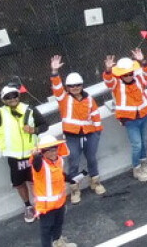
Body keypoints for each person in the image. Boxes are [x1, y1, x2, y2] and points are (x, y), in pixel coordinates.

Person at [0, 78, 42, 221]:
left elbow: (44, 125)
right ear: (3, 100)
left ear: (18, 96)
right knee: (20, 184)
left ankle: (39, 204)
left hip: (32, 154)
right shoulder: (0, 114)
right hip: (14, 158)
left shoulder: (30, 109)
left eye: (14, 95)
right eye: (7, 97)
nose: (12, 99)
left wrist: (34, 130)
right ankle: (28, 206)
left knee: (35, 181)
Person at [46, 59, 103, 200]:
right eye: (71, 86)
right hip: (72, 136)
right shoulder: (64, 99)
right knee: (74, 161)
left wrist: (97, 132)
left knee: (91, 158)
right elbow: (57, 87)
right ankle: (75, 189)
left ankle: (95, 182)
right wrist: (54, 72)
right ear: (68, 87)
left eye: (78, 85)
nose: (75, 88)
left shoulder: (88, 99)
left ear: (82, 85)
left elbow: (95, 115)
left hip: (90, 134)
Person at [102, 56, 147, 182]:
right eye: (125, 74)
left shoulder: (139, 79)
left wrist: (143, 61)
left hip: (143, 116)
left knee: (145, 141)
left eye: (130, 73)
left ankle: (143, 163)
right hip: (130, 120)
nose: (129, 76)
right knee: (137, 145)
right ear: (121, 75)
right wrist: (108, 70)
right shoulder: (117, 84)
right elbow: (108, 81)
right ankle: (136, 169)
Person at [29, 135, 73, 247]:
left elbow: (59, 174)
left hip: (59, 203)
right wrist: (36, 154)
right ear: (43, 153)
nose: (54, 153)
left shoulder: (59, 161)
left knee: (58, 224)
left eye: (55, 149)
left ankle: (58, 243)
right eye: (50, 151)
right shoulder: (40, 164)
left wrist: (70, 179)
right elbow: (36, 162)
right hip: (46, 206)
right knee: (46, 230)